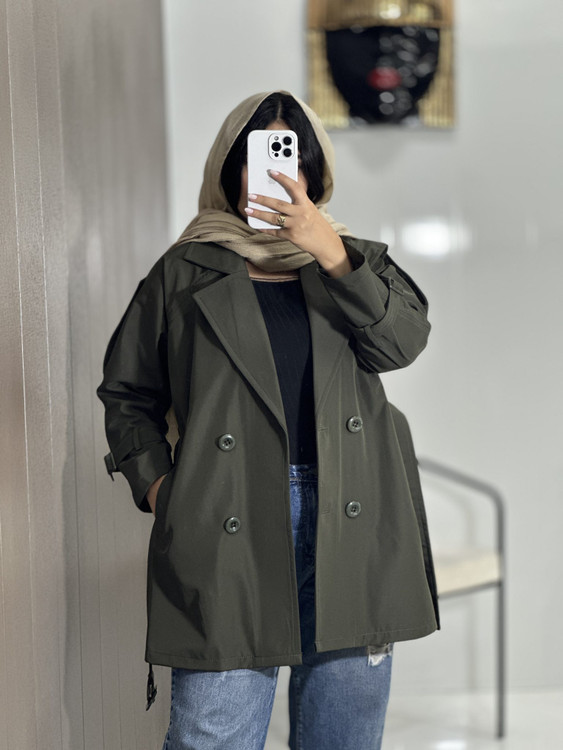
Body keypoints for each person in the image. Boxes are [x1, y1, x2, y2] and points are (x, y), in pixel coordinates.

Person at [97, 90, 440, 750]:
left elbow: (401, 345)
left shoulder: (357, 262)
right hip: (228, 515)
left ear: (316, 171)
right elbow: (128, 393)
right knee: (212, 735)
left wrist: (331, 254)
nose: (283, 175)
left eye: (295, 159)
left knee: (343, 738)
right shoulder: (184, 271)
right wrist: (162, 489)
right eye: (262, 159)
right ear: (230, 171)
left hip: (353, 517)